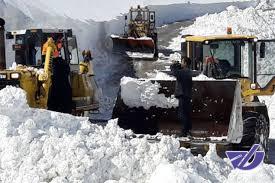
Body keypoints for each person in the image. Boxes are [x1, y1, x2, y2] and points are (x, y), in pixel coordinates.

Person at [170, 56, 193, 137]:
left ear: (185, 63)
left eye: (182, 62)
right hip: (186, 95)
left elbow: (174, 72)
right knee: (186, 114)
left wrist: (173, 65)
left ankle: (184, 132)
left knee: (182, 114)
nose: (181, 63)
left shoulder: (184, 71)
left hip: (183, 95)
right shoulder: (187, 71)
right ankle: (188, 130)